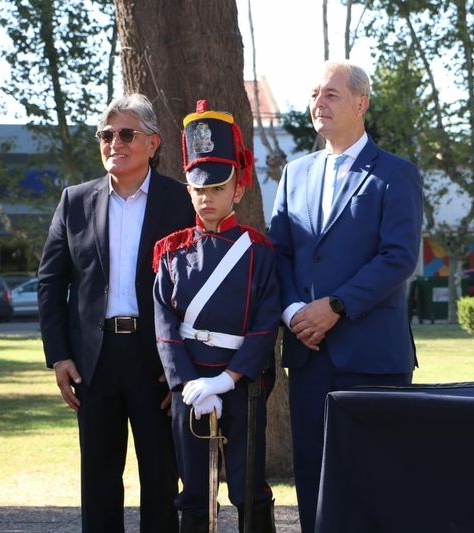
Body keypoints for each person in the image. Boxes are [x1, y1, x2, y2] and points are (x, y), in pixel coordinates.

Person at [266, 60, 423, 533]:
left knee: (376, 484)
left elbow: (398, 256)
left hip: (373, 358)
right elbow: (278, 253)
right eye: (314, 94)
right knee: (314, 483)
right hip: (309, 356)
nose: (319, 103)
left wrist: (334, 306)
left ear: (361, 103)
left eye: (331, 94)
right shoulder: (295, 174)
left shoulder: (396, 173)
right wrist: (295, 311)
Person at [37, 93, 195, 533]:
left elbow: (198, 285)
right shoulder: (74, 201)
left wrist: (182, 365)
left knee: (162, 479)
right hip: (94, 362)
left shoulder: (182, 202)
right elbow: (51, 283)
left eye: (127, 133)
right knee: (100, 481)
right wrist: (60, 356)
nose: (114, 143)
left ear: (153, 143)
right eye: (106, 135)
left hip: (157, 360)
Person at [153, 100, 279, 533]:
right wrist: (188, 382)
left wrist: (228, 380)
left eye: (217, 189)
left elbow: (266, 323)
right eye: (198, 189)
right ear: (188, 189)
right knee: (194, 490)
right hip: (190, 385)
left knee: (248, 486)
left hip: (241, 384)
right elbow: (165, 324)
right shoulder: (170, 252)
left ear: (237, 190)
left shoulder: (259, 251)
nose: (207, 198)